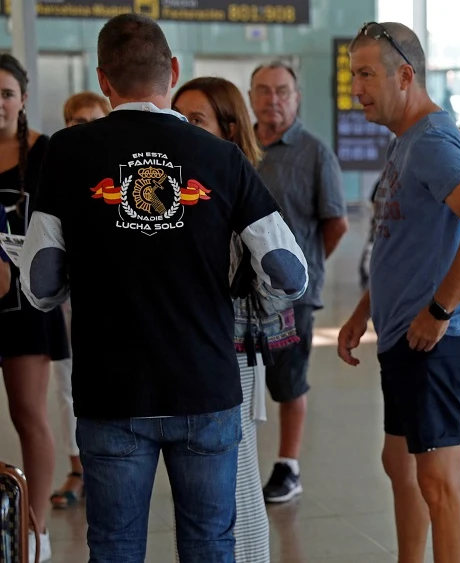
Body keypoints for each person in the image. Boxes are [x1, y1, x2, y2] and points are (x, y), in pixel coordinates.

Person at [18, 14, 308, 562]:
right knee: (209, 544)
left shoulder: (66, 152)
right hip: (205, 385)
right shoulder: (220, 157)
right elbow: (290, 273)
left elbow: (41, 284)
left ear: (104, 80)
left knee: (115, 546)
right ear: (173, 71)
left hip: (111, 392)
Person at [338, 22, 460, 563]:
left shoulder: (432, 140)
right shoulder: (407, 142)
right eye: (352, 75)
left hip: (435, 340)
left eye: (365, 74)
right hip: (405, 334)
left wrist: (439, 311)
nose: (356, 89)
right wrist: (364, 311)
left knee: (437, 481)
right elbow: (402, 241)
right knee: (400, 463)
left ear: (405, 74)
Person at [172, 76, 279, 562]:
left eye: (196, 120)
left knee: (236, 488)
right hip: (198, 354)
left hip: (230, 353)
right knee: (214, 496)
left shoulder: (236, 188)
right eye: (178, 119)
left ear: (230, 130)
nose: (183, 131)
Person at [250, 60, 349, 503]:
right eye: (264, 90)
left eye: (282, 91)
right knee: (239, 382)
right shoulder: (235, 146)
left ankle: (288, 466)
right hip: (239, 293)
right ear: (250, 96)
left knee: (290, 381)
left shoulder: (314, 152)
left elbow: (336, 224)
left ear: (297, 97)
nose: (273, 99)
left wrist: (301, 271)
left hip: (293, 298)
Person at [0, 53, 66, 562]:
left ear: (22, 99)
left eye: (6, 93)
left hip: (25, 304)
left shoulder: (45, 152)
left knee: (29, 413)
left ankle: (35, 527)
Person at [49, 90, 113, 512]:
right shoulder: (60, 165)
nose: (83, 127)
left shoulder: (120, 168)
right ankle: (78, 467)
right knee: (67, 385)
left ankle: (106, 466)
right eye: (75, 121)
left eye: (93, 120)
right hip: (66, 296)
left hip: (111, 299)